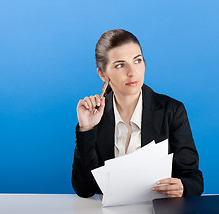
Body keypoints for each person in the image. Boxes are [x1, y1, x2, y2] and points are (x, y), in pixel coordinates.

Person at [72, 29, 203, 198]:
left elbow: (195, 180)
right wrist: (87, 129)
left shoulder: (171, 111)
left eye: (137, 61)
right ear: (103, 74)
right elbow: (84, 190)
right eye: (120, 65)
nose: (132, 72)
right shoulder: (97, 116)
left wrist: (183, 187)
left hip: (158, 212)